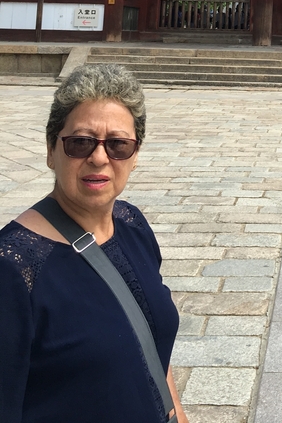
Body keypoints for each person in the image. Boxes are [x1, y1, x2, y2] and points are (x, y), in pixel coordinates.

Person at [0, 63, 188, 423]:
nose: (99, 158)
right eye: (80, 143)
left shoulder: (132, 226)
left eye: (118, 145)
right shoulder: (13, 267)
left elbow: (150, 347)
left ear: (135, 156)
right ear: (52, 149)